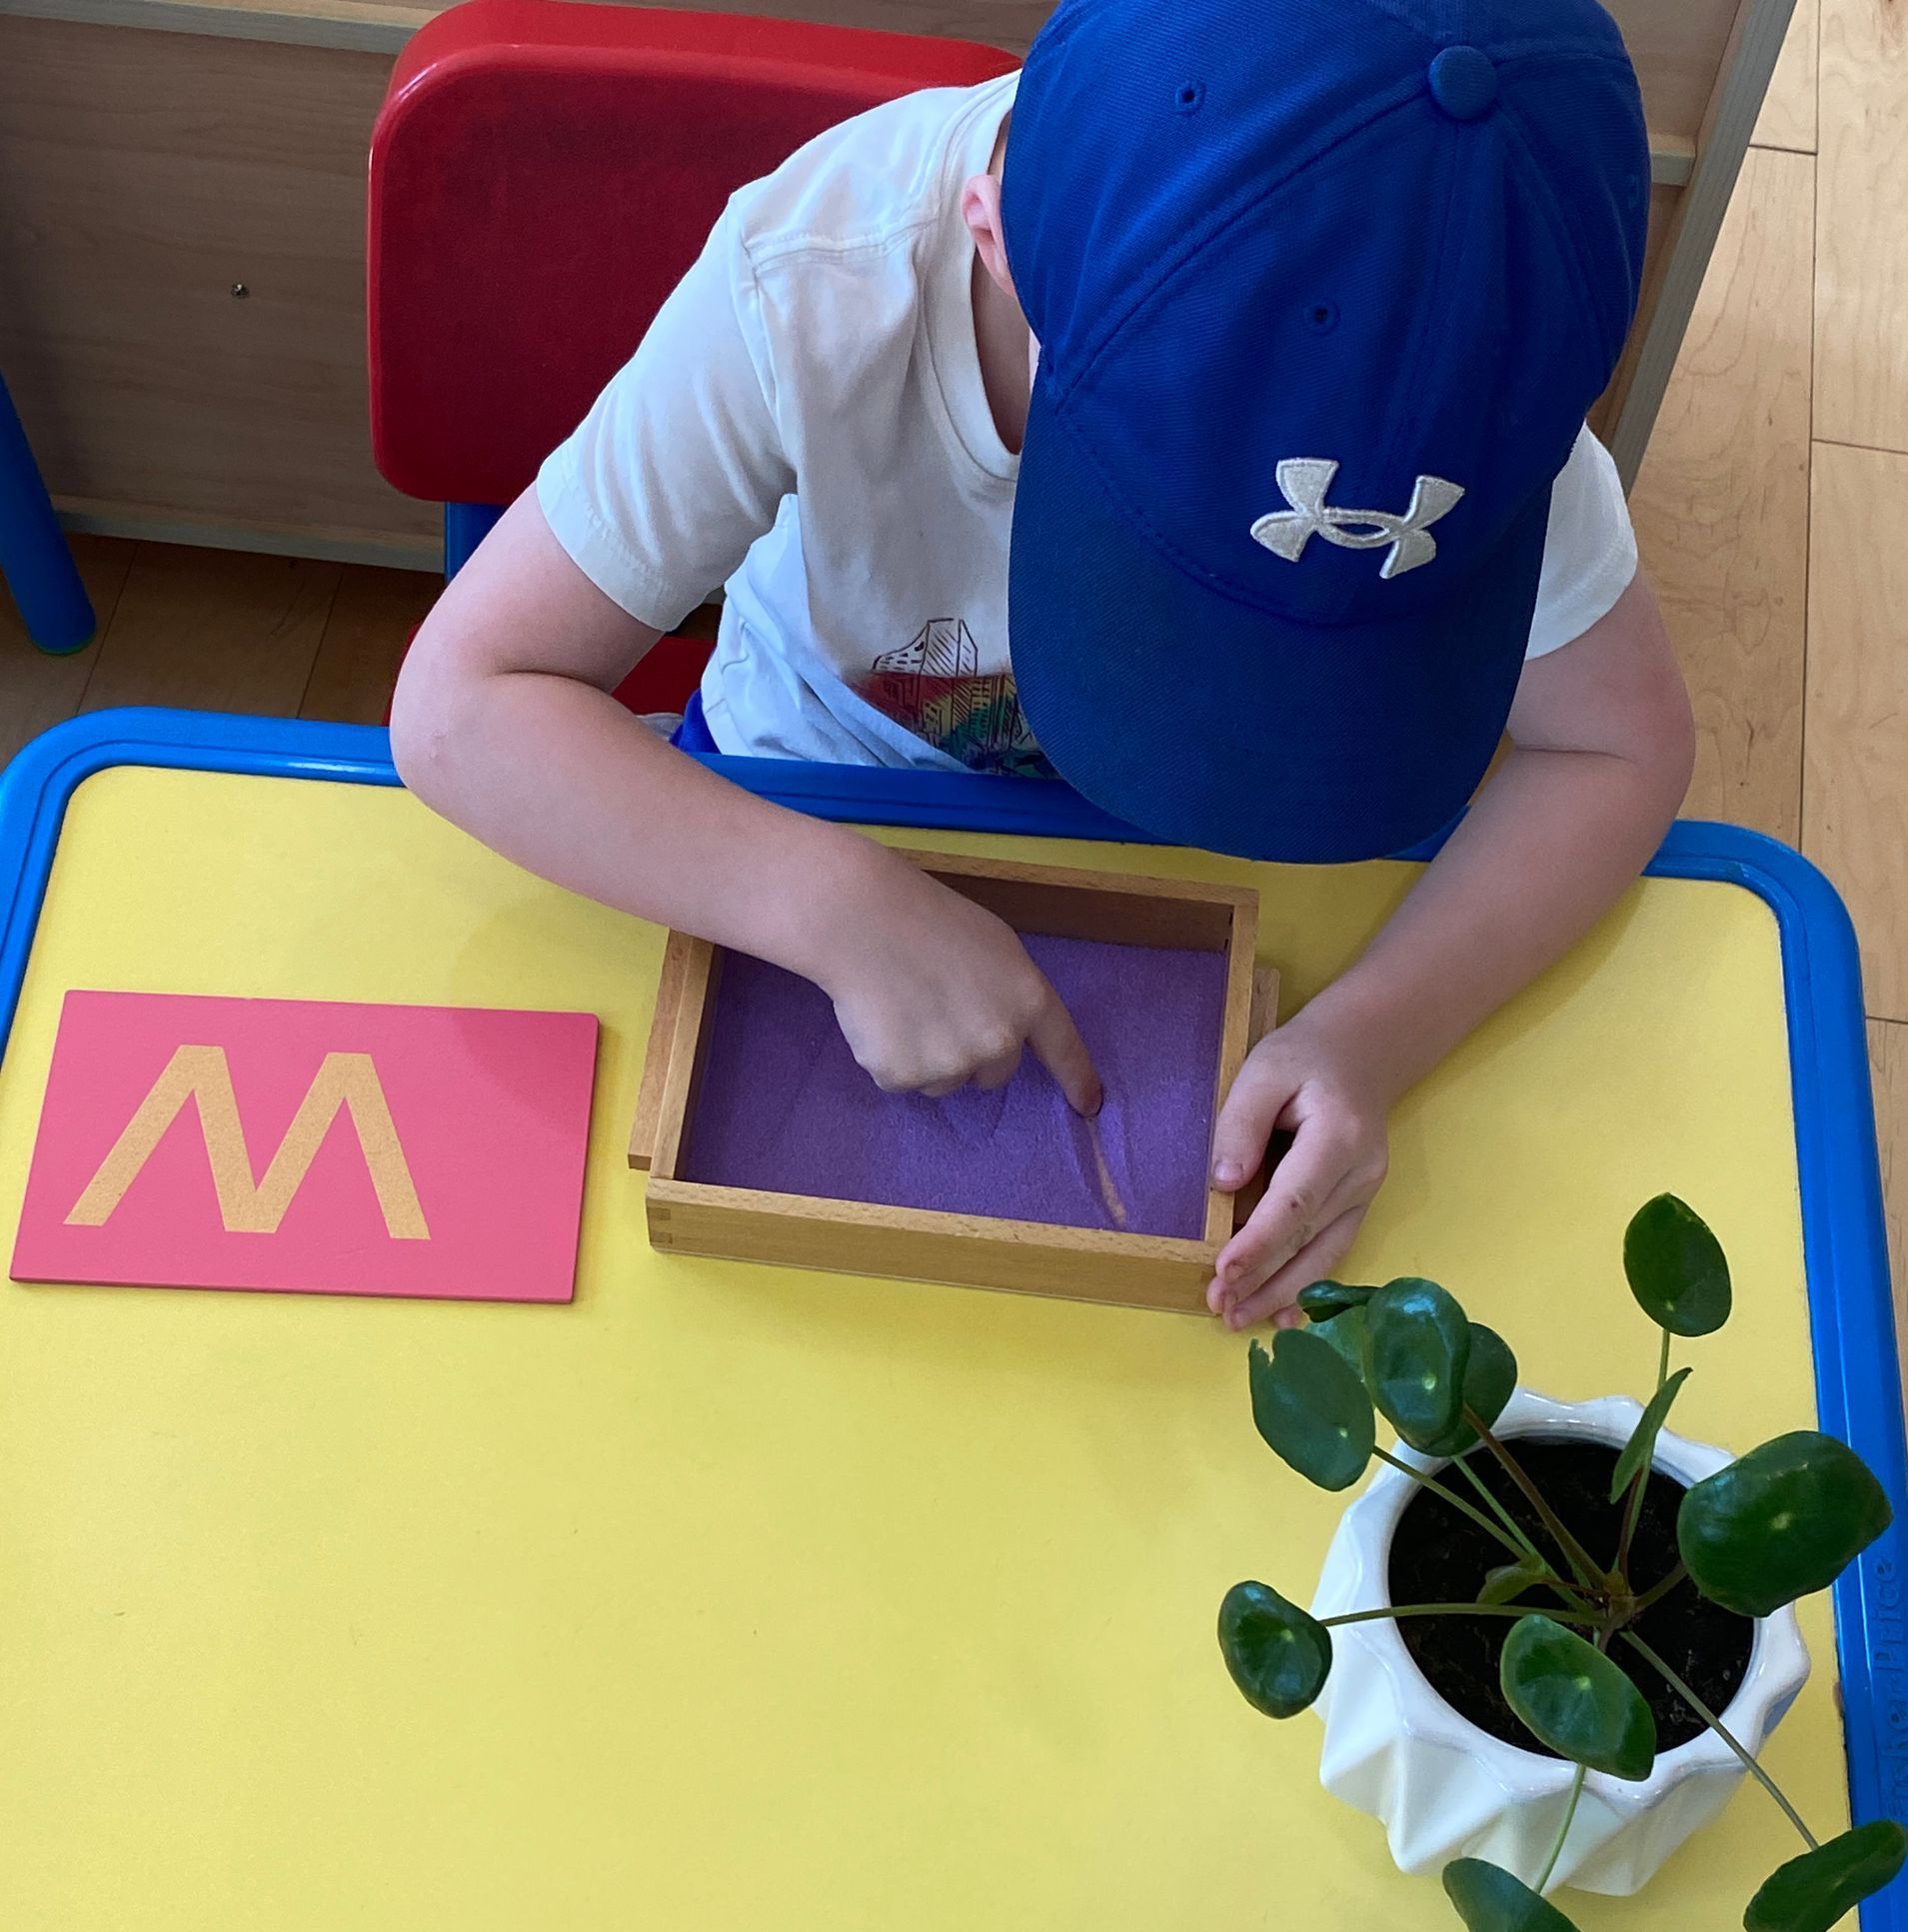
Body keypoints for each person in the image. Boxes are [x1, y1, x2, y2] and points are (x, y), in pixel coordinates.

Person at [390, 0, 1694, 1331]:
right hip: (819, 791)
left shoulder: (1473, 384)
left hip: (1227, 867)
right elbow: (459, 705)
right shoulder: (813, 282)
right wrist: (827, 901)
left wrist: (1376, 1032)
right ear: (992, 234)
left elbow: (1618, 746)